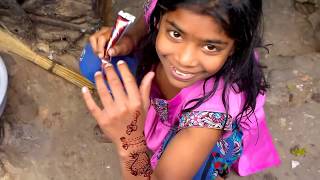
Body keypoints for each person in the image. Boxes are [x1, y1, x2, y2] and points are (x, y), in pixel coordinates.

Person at [81, 0, 281, 179]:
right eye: (176, 34)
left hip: (197, 134)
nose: (184, 60)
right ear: (160, 19)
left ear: (235, 48)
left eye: (210, 47)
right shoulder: (170, 7)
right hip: (165, 106)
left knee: (186, 169)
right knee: (95, 57)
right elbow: (148, 15)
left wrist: (130, 144)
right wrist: (131, 39)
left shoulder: (210, 117)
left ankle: (204, 168)